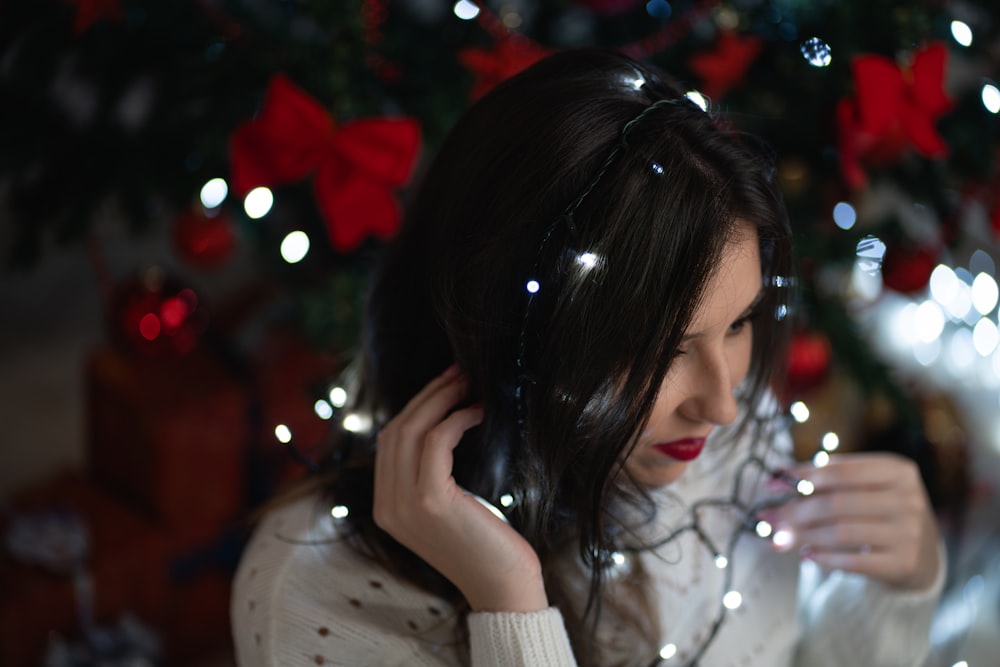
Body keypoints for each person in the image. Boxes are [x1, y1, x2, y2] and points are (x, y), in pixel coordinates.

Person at [231, 48, 943, 667]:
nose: (724, 403)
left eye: (739, 323)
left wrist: (901, 584)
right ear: (506, 332)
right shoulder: (321, 589)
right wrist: (510, 605)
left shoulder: (725, 444)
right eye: (659, 352)